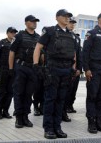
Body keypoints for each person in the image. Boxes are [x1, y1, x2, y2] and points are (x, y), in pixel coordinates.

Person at [33, 9, 77, 139]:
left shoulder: (71, 34)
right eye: (64, 16)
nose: (67, 18)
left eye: (69, 16)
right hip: (53, 69)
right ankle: (48, 128)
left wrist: (73, 68)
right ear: (57, 17)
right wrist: (36, 65)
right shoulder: (50, 31)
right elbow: (38, 47)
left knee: (61, 100)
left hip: (66, 70)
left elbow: (73, 53)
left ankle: (57, 127)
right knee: (50, 99)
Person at [9, 15, 40, 128]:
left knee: (28, 94)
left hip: (32, 69)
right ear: (26, 23)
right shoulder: (19, 36)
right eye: (32, 21)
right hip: (20, 68)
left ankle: (25, 117)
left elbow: (41, 54)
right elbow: (12, 52)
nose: (35, 23)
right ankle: (18, 118)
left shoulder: (38, 37)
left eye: (36, 22)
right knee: (18, 93)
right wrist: (11, 68)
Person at [0, 27, 18, 119]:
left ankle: (5, 111)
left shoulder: (16, 44)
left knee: (10, 92)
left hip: (13, 70)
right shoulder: (0, 44)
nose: (13, 34)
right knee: (2, 91)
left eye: (14, 32)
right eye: (11, 32)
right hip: (3, 70)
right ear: (7, 33)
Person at [62, 17, 82, 122]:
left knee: (71, 90)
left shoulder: (76, 38)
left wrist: (79, 68)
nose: (72, 25)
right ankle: (61, 112)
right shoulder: (61, 35)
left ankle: (67, 108)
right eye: (70, 23)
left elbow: (79, 54)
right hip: (64, 68)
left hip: (74, 69)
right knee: (63, 92)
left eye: (73, 23)